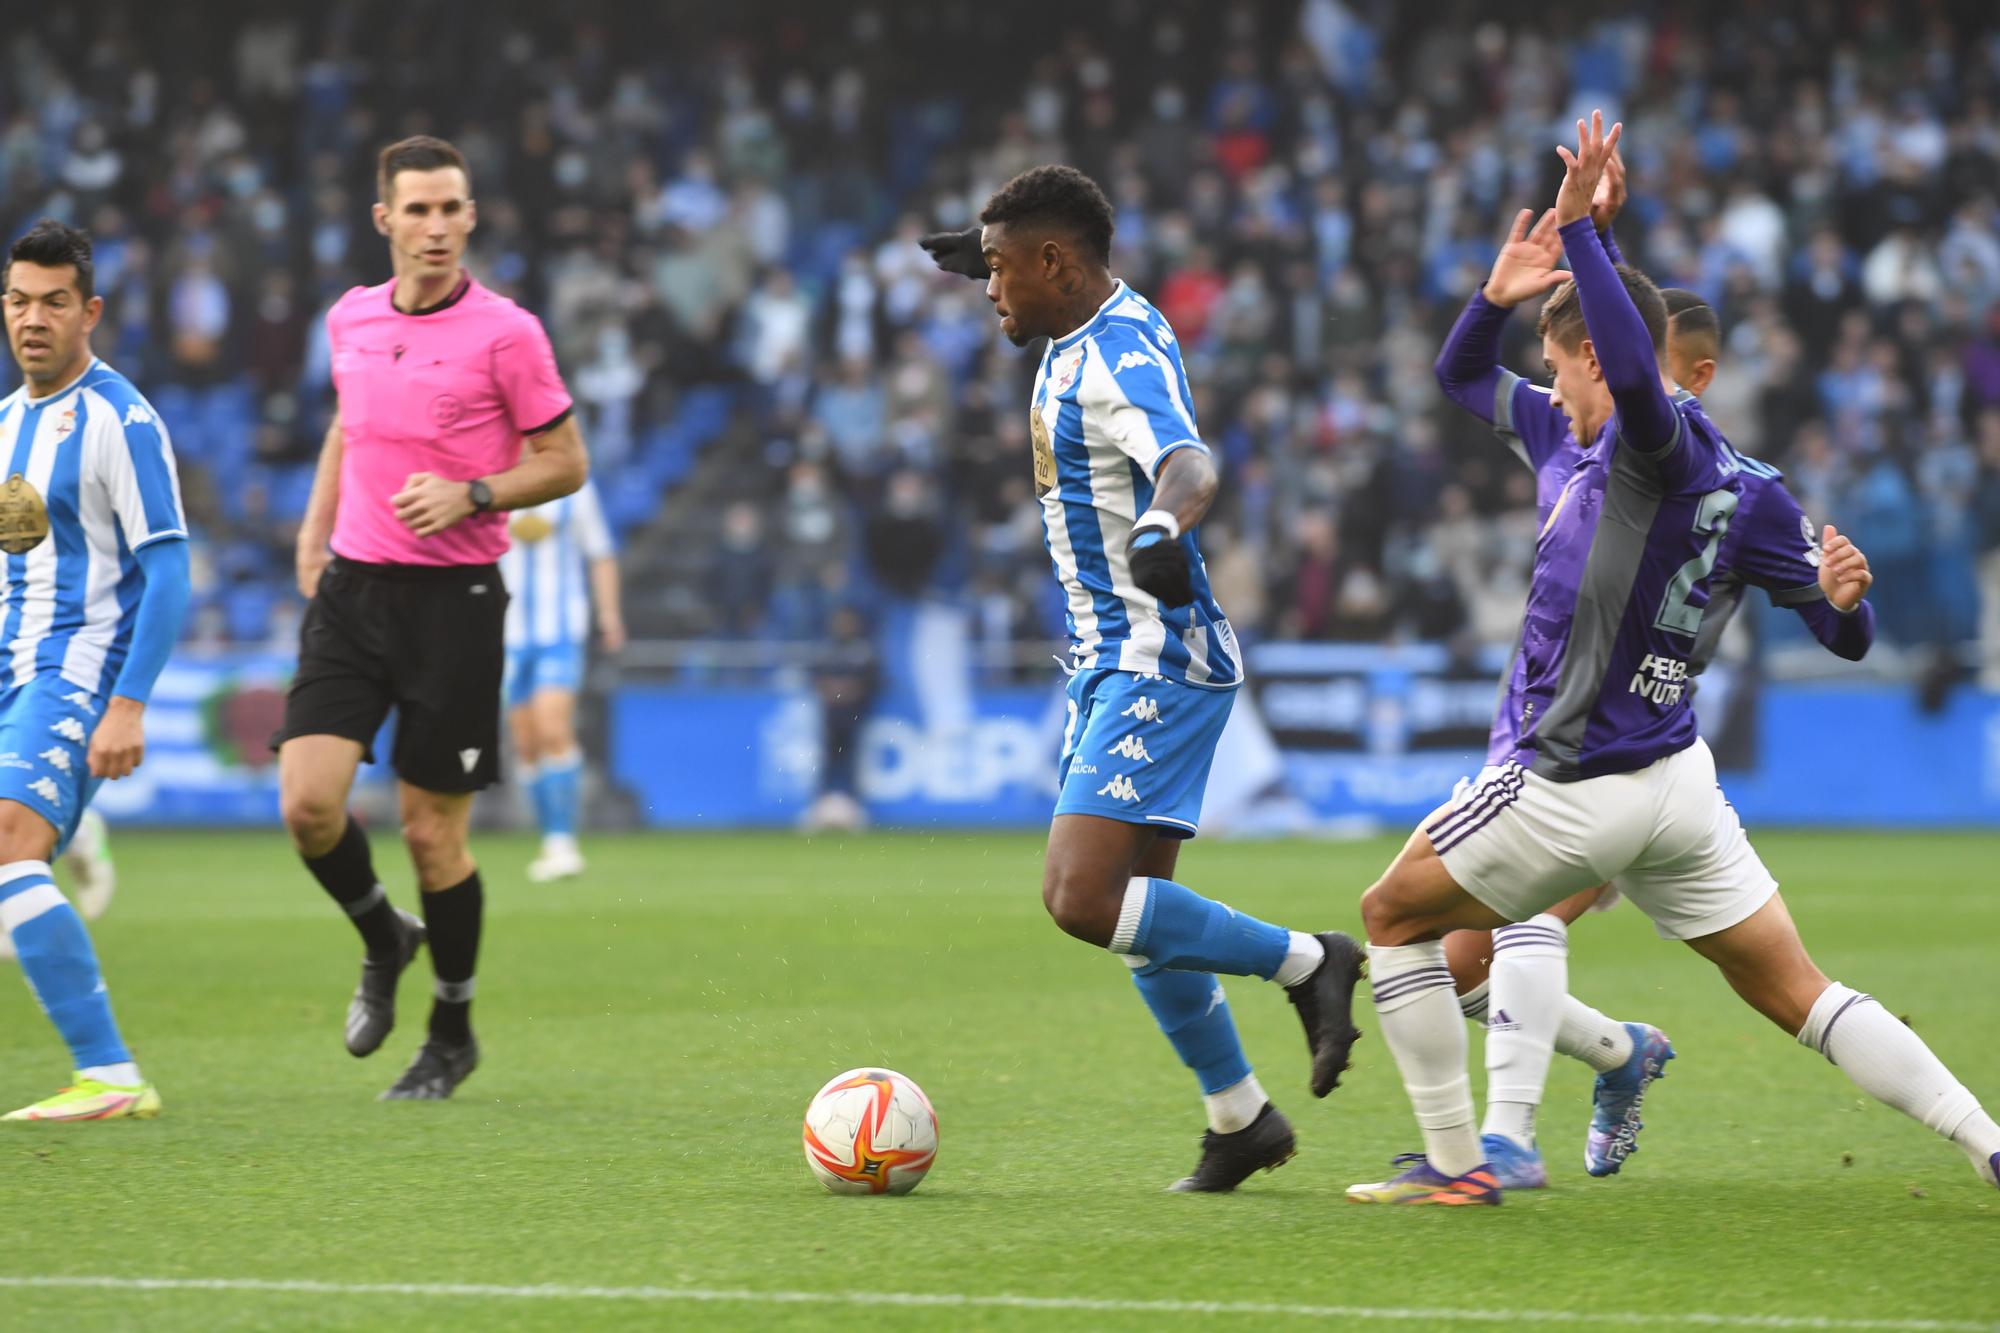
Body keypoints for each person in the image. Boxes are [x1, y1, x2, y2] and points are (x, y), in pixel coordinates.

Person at [1348, 113, 2000, 1206]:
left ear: (1604, 361)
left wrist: (1585, 230)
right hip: (1672, 782)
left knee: (1391, 915)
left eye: (1561, 372)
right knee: (1795, 990)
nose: (1547, 393)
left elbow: (1637, 390)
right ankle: (1986, 1140)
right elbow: (1461, 379)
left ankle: (1468, 1162)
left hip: (1576, 775)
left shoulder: (1655, 447)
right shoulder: (1641, 457)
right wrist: (1499, 294)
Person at [934, 165, 1364, 1191]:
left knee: (1081, 897)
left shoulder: (1113, 355)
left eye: (999, 268)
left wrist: (1165, 524)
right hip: (1109, 658)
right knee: (1139, 913)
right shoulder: (1079, 324)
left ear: (1054, 262)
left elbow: (1187, 458)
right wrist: (985, 252)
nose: (988, 288)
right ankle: (1239, 1119)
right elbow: (1041, 277)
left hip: (1154, 657)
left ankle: (1310, 961)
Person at [1436, 246, 1882, 1186]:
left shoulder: (1740, 487)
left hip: (1631, 755)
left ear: (1695, 373)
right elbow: (1465, 373)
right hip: (1557, 732)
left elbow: (1841, 631)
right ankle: (1618, 1055)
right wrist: (1509, 287)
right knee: (1460, 960)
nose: (1610, 370)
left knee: (1519, 905)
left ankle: (1504, 1143)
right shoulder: (1566, 430)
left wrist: (1844, 603)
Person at [276, 136, 588, 1101]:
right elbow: (345, 424)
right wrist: (315, 526)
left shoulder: (509, 333)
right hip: (354, 592)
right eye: (417, 210)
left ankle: (451, 1030)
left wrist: (475, 493)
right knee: (307, 804)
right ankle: (384, 935)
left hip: (456, 606)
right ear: (385, 221)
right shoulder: (350, 318)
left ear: (471, 216)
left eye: (452, 208)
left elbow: (567, 460)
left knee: (430, 837)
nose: (437, 227)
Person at [0, 219, 191, 1121]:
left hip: (75, 673)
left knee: (8, 840)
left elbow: (170, 570)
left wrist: (128, 705)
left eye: (53, 302)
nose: (32, 318)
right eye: (18, 300)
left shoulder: (121, 419)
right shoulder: (6, 425)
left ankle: (109, 1074)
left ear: (90, 312)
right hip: (12, 673)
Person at [499, 477, 623, 882]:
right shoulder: (491, 483)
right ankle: (549, 839)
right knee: (525, 742)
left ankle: (563, 840)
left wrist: (609, 613)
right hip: (507, 634)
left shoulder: (575, 488)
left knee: (553, 725)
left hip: (561, 632)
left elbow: (601, 552)